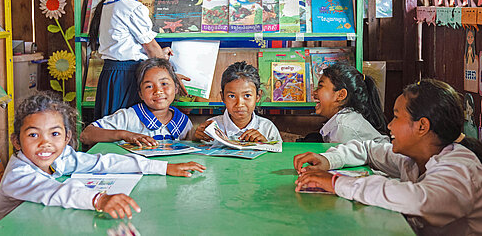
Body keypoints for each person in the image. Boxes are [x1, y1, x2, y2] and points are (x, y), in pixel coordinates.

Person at [293, 79, 482, 235]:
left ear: (422, 126)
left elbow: (418, 199)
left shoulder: (460, 167)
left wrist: (336, 183)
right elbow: (368, 149)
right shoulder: (412, 158)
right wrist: (328, 160)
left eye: (396, 117)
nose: (390, 126)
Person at [0, 92, 205, 226]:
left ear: (67, 137)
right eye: (33, 135)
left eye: (54, 134)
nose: (45, 143)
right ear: (16, 142)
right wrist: (100, 200)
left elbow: (102, 162)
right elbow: (55, 191)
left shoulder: (60, 158)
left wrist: (161, 166)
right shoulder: (17, 174)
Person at [88, 0, 179, 119]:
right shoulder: (131, 6)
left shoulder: (109, 3)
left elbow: (127, 43)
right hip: (129, 74)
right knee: (129, 126)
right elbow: (151, 48)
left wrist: (159, 54)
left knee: (112, 124)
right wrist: (169, 72)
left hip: (111, 74)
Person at [80, 58, 193, 146]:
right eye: (149, 86)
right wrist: (124, 135)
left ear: (176, 88)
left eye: (164, 84)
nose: (158, 91)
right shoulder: (128, 117)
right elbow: (86, 135)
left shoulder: (183, 122)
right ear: (140, 94)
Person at [194, 61, 282, 143]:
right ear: (222, 97)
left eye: (247, 95)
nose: (239, 104)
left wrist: (266, 144)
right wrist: (196, 139)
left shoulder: (267, 128)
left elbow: (277, 157)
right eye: (232, 96)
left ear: (258, 96)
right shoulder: (211, 127)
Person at [308, 62, 389, 143]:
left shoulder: (345, 127)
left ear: (341, 95)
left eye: (320, 86)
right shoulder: (343, 121)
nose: (314, 92)